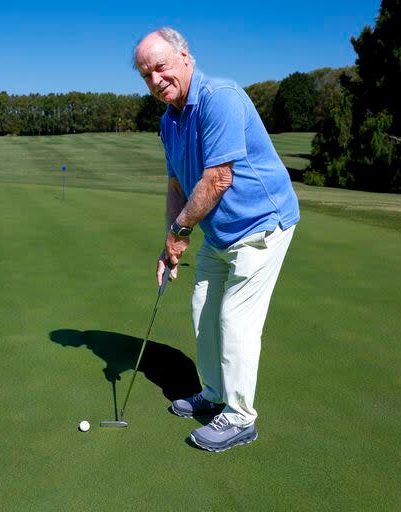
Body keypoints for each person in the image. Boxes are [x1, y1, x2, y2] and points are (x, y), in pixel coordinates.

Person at [133, 27, 300, 452]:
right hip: (220, 233)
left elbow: (218, 177)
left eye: (160, 67)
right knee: (203, 309)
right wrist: (171, 239)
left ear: (184, 56)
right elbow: (176, 185)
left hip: (262, 224)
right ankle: (213, 395)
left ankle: (241, 418)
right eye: (145, 75)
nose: (155, 80)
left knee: (235, 320)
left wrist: (181, 231)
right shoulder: (169, 122)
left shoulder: (220, 98)